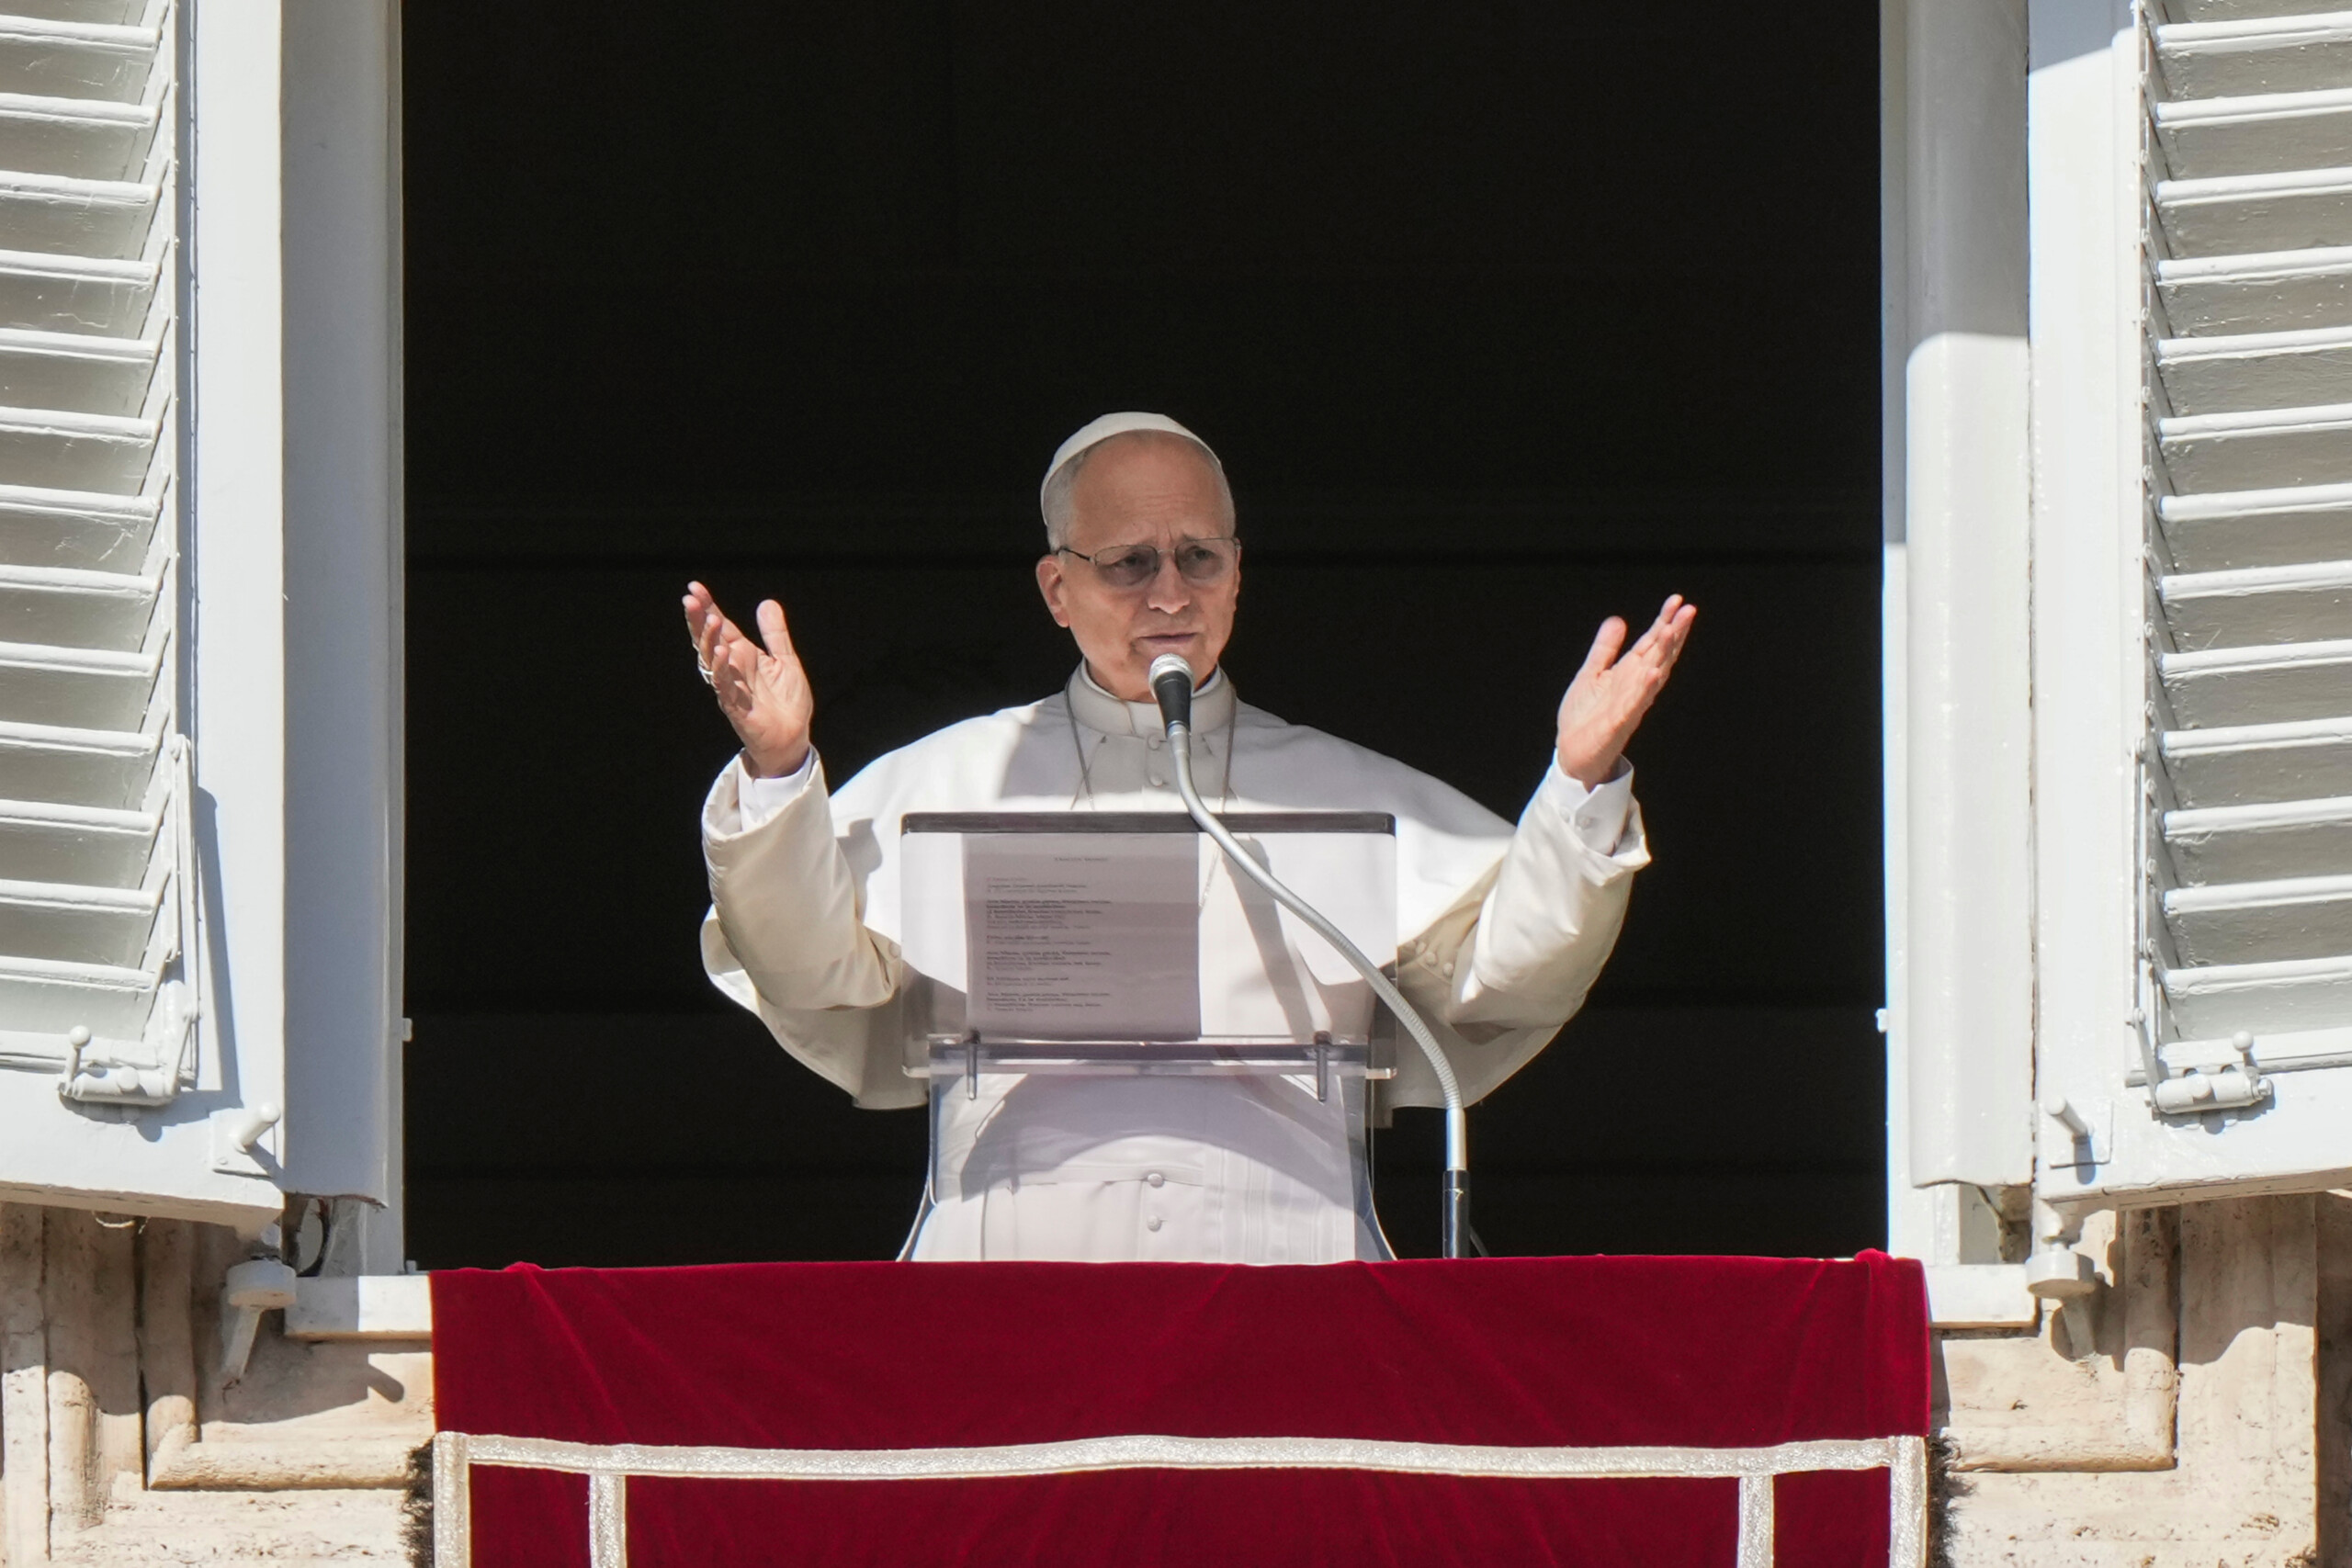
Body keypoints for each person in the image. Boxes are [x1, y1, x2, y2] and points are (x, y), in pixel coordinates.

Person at [684, 412, 1695, 1262]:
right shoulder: (948, 779)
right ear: (1055, 589)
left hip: (1287, 1269)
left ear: (1238, 572)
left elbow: (1508, 975)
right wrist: (779, 772)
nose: (1169, 594)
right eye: (1128, 562)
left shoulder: (1347, 789)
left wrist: (1577, 784)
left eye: (1198, 557)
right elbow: (811, 972)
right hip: (1013, 1270)